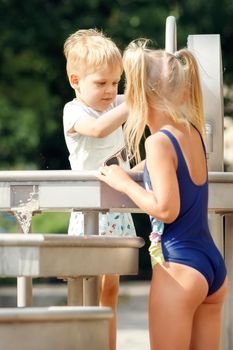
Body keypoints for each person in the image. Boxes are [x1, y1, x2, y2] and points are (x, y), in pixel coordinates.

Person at [98, 39, 228, 350]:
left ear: (140, 95)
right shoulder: (190, 131)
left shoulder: (156, 142)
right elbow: (171, 171)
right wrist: (134, 171)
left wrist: (123, 182)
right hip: (211, 266)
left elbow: (166, 209)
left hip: (179, 267)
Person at [62, 28, 136, 350]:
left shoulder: (116, 104)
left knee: (110, 291)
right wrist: (135, 101)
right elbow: (97, 129)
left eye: (115, 83)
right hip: (89, 210)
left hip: (115, 210)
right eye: (101, 83)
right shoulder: (75, 111)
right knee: (85, 290)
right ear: (76, 81)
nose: (110, 91)